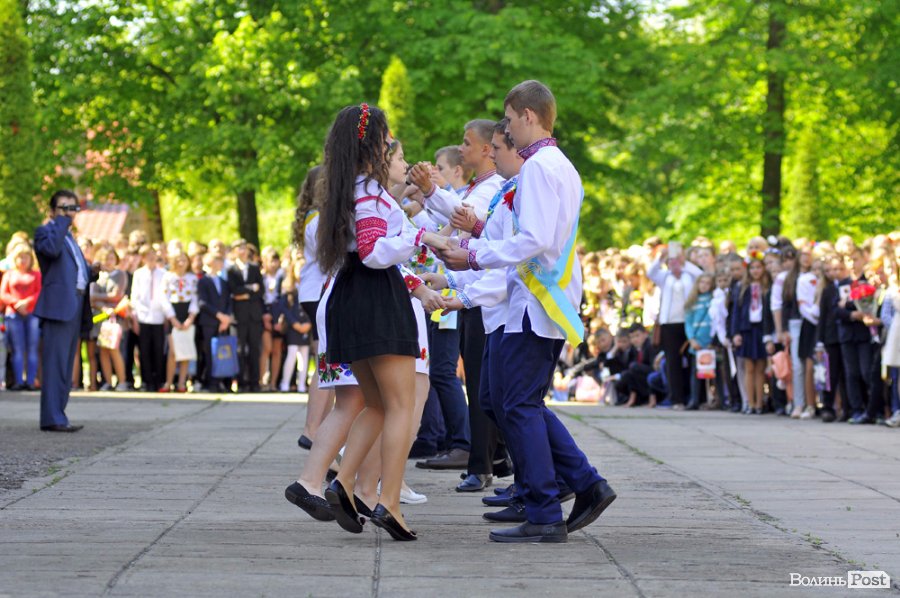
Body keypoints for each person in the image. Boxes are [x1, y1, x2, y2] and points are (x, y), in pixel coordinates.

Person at [435, 80, 616, 543]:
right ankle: (581, 484)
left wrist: (474, 257)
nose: (509, 130)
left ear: (529, 116)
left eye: (512, 119)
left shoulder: (538, 167)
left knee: (516, 404)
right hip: (537, 298)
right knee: (514, 401)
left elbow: (533, 238)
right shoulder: (558, 165)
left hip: (536, 300)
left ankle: (545, 509)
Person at [315, 103, 447, 541]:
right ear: (371, 143)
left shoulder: (347, 188)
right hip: (377, 297)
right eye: (386, 137)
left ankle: (345, 484)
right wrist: (420, 236)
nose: (391, 144)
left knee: (376, 404)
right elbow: (374, 251)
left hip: (353, 296)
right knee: (400, 407)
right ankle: (388, 501)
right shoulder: (370, 192)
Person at [33, 190, 95, 431]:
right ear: (52, 211)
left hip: (75, 304)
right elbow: (50, 251)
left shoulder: (69, 237)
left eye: (73, 208)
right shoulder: (46, 232)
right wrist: (61, 222)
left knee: (66, 365)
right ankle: (52, 418)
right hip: (58, 307)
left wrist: (91, 272)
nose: (69, 213)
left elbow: (74, 272)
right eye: (64, 208)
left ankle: (59, 414)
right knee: (55, 365)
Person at [294, 165, 335, 448]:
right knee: (326, 361)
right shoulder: (318, 219)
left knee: (327, 359)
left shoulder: (313, 216)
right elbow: (329, 254)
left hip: (314, 290)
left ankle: (317, 427)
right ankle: (313, 428)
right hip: (318, 291)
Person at [1, 244, 42, 390]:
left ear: (30, 259)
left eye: (25, 257)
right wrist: (16, 303)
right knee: (17, 349)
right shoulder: (9, 275)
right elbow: (3, 293)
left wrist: (27, 302)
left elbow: (40, 292)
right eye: (20, 257)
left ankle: (30, 381)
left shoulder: (36, 275)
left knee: (32, 349)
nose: (22, 260)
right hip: (13, 314)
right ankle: (19, 381)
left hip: (32, 314)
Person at [226, 239, 264, 392]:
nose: (243, 251)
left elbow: (261, 290)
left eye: (244, 248)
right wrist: (250, 288)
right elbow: (234, 290)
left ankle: (255, 382)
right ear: (234, 251)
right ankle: (241, 382)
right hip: (239, 316)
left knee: (255, 349)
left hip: (254, 315)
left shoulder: (254, 268)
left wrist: (244, 293)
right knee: (240, 349)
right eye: (239, 248)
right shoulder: (231, 270)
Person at [130, 245, 168, 392]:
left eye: (153, 255)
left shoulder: (163, 273)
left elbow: (166, 295)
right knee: (144, 350)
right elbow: (135, 296)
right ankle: (147, 381)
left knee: (158, 349)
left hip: (159, 316)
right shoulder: (139, 274)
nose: (151, 258)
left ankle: (159, 379)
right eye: (148, 256)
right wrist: (135, 318)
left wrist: (166, 315)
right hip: (143, 316)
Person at [91, 246, 129, 391]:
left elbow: (117, 295)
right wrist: (104, 307)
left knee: (114, 348)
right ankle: (108, 382)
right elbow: (91, 298)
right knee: (103, 350)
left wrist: (99, 298)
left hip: (115, 318)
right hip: (100, 317)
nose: (108, 261)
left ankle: (122, 381)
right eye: (106, 259)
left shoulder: (120, 274)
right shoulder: (98, 276)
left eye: (111, 258)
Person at [162, 251, 199, 392]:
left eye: (184, 260)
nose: (181, 263)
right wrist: (172, 318)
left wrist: (191, 318)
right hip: (173, 314)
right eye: (178, 260)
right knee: (173, 352)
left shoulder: (192, 278)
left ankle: (181, 383)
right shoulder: (168, 277)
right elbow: (164, 298)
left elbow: (195, 298)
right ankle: (168, 382)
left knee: (185, 351)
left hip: (187, 314)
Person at [196, 253, 233, 393]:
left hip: (223, 323)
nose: (221, 263)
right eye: (218, 260)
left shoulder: (223, 282)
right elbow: (202, 303)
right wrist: (219, 316)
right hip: (209, 322)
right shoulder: (203, 281)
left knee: (222, 352)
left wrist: (226, 318)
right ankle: (210, 382)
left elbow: (228, 301)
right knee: (210, 352)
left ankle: (221, 381)